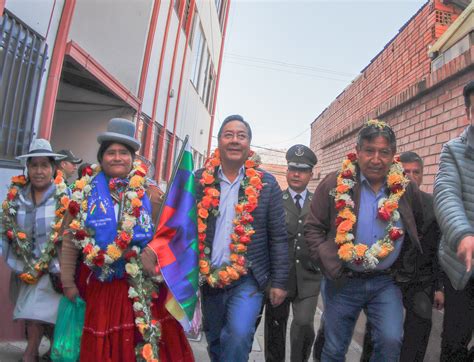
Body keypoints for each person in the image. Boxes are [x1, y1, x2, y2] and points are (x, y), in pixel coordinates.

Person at [60, 118, 194, 362]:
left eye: (124, 152)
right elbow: (70, 240)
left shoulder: (151, 194)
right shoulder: (83, 193)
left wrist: (153, 252)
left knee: (143, 347)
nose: (117, 157)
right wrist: (67, 282)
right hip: (102, 287)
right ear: (101, 157)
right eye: (111, 152)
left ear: (133, 158)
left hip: (142, 288)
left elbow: (169, 234)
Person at [305, 119, 423, 361]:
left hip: (385, 283)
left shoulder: (405, 189)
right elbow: (313, 227)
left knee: (391, 341)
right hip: (343, 281)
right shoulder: (334, 183)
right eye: (369, 151)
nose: (376, 159)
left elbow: (419, 227)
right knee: (334, 348)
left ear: (393, 156)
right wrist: (329, 262)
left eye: (384, 152)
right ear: (357, 151)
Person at [196, 114, 289, 362]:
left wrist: (279, 281)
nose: (235, 141)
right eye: (229, 135)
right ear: (219, 142)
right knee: (215, 338)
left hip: (249, 278)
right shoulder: (199, 180)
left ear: (249, 144)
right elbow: (182, 227)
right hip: (209, 277)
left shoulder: (266, 184)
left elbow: (279, 236)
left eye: (241, 136)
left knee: (238, 334)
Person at [359, 151, 444, 362]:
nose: (411, 177)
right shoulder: (384, 203)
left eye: (416, 172)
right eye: (406, 172)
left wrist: (439, 288)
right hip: (389, 279)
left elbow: (437, 250)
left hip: (419, 281)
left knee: (422, 322)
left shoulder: (432, 206)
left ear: (423, 175)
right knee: (377, 329)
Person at [1, 139, 69, 362]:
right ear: (27, 168)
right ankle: (44, 351)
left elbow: (71, 234)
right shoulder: (16, 196)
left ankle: (31, 354)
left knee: (37, 314)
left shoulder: (64, 197)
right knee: (35, 315)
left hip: (53, 269)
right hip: (24, 267)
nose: (39, 171)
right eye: (34, 165)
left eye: (44, 165)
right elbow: (6, 227)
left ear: (53, 169)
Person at [263, 144, 322, 362]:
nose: (296, 174)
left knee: (304, 324)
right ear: (287, 171)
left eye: (303, 170)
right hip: (279, 276)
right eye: (293, 169)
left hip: (308, 277)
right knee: (275, 327)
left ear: (311, 174)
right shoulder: (274, 200)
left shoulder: (319, 202)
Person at [434, 80, 474, 362]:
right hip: (462, 266)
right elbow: (446, 196)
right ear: (468, 114)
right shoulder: (453, 151)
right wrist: (462, 234)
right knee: (455, 341)